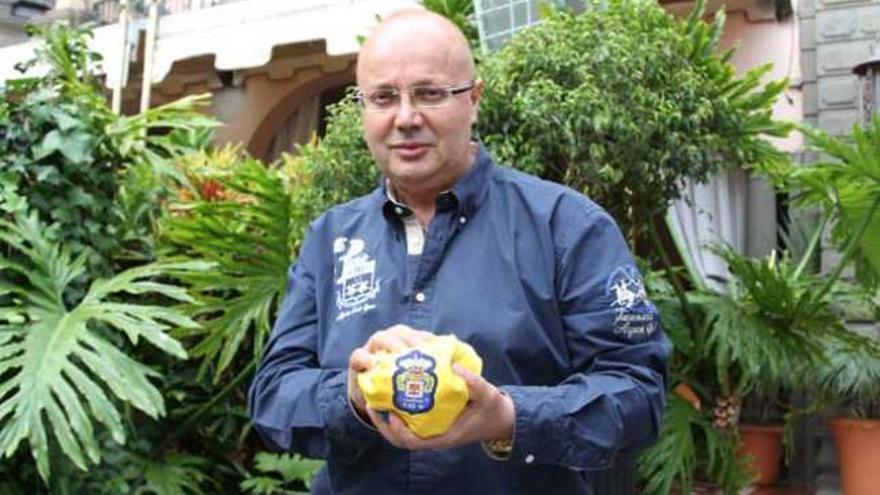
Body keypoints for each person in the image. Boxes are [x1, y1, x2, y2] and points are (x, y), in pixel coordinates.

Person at [248, 8, 670, 495]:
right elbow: (274, 393)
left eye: (430, 93)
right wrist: (352, 396)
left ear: (473, 99)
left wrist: (509, 418)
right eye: (383, 97)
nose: (406, 118)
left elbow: (638, 392)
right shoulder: (332, 239)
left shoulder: (568, 228)